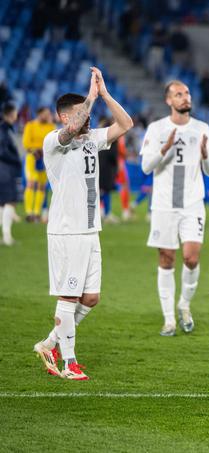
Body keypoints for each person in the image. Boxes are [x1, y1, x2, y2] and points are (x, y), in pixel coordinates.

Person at [33, 67, 133, 380]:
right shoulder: (54, 141)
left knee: (90, 298)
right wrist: (89, 97)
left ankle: (50, 343)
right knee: (69, 296)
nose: (87, 117)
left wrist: (104, 95)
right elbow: (70, 130)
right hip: (67, 230)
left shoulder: (91, 140)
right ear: (64, 117)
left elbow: (125, 124)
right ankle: (68, 363)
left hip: (90, 230)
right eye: (80, 114)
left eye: (87, 112)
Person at [141, 80, 209, 336]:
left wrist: (206, 154)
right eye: (178, 94)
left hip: (192, 204)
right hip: (164, 205)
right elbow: (146, 167)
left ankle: (184, 305)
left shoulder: (202, 128)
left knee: (191, 257)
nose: (185, 97)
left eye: (186, 93)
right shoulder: (157, 128)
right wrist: (164, 148)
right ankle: (168, 319)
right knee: (166, 259)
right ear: (168, 100)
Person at [22, 106, 55, 223]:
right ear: (39, 113)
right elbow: (26, 143)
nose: (47, 116)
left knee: (41, 186)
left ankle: (36, 212)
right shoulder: (30, 126)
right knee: (31, 183)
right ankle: (28, 212)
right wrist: (36, 150)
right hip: (33, 158)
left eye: (48, 114)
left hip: (45, 159)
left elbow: (53, 142)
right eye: (45, 114)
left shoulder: (51, 127)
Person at [0, 103, 22, 245]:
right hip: (5, 169)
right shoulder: (3, 129)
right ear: (10, 114)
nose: (16, 116)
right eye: (15, 113)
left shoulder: (8, 129)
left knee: (2, 203)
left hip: (6, 169)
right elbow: (2, 151)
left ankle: (5, 236)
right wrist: (17, 160)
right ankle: (7, 237)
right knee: (10, 201)